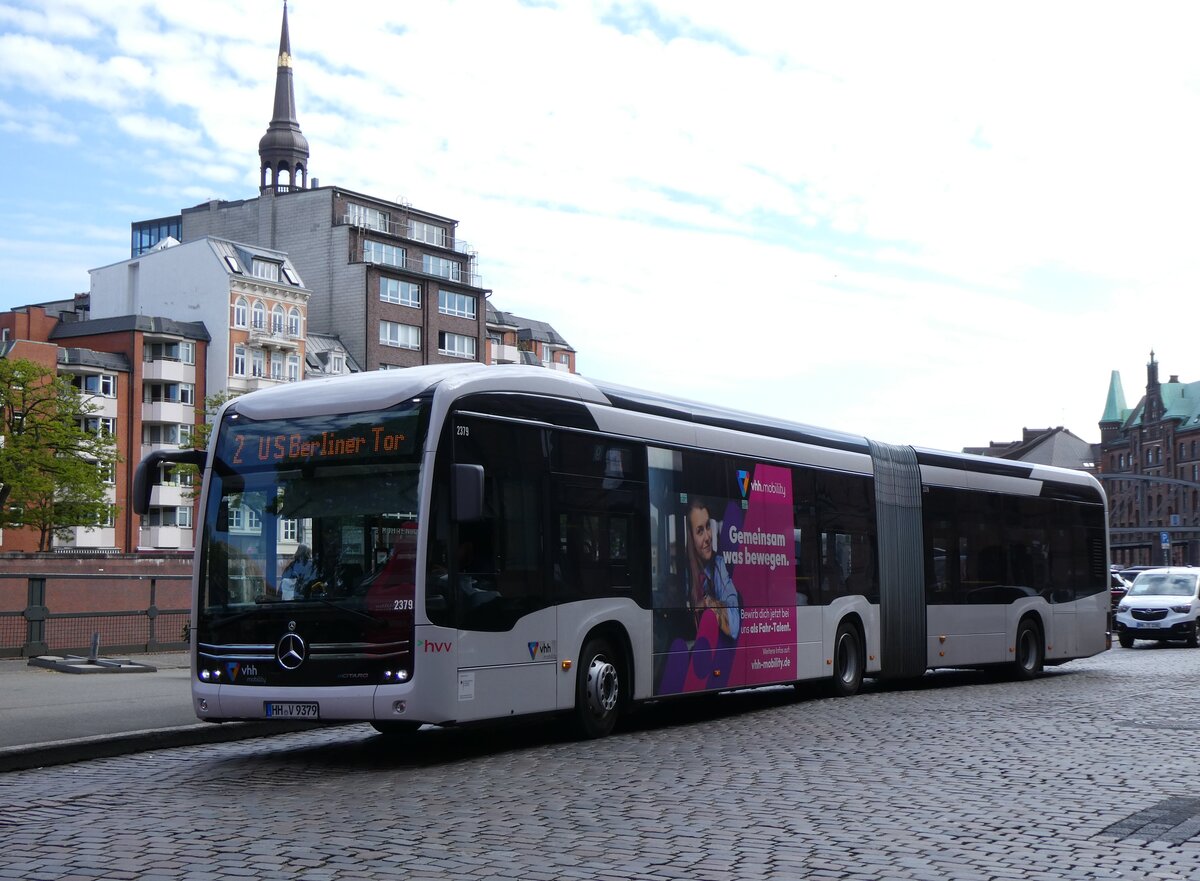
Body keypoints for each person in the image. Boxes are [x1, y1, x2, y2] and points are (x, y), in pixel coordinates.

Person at [685, 499, 741, 641]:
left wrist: (707, 602)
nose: (708, 537)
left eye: (708, 526)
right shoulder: (683, 574)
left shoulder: (718, 566)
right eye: (700, 531)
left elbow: (734, 626)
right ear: (691, 538)